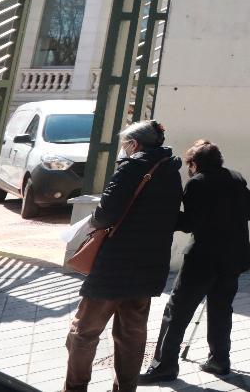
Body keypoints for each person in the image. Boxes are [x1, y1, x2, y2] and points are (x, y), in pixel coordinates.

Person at [64, 121, 182, 392]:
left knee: (84, 331)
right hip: (150, 264)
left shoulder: (132, 167)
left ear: (135, 144)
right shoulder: (171, 171)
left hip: (115, 265)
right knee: (132, 333)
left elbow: (106, 213)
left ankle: (74, 388)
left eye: (125, 144)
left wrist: (90, 222)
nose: (124, 149)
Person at [140, 140, 250, 382]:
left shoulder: (197, 183)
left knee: (177, 311)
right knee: (221, 309)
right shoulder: (236, 178)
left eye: (189, 165)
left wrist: (167, 216)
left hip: (204, 259)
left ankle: (165, 365)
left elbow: (190, 223)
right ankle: (219, 360)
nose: (188, 169)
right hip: (233, 257)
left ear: (194, 164)